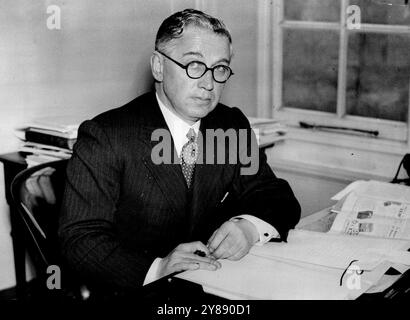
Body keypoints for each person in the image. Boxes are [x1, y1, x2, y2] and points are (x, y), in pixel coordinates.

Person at [58, 8, 300, 294]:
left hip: (216, 284)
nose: (208, 84)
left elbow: (276, 196)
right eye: (194, 65)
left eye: (219, 69)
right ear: (159, 66)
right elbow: (79, 238)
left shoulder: (230, 125)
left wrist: (248, 227)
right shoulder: (107, 136)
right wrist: (158, 267)